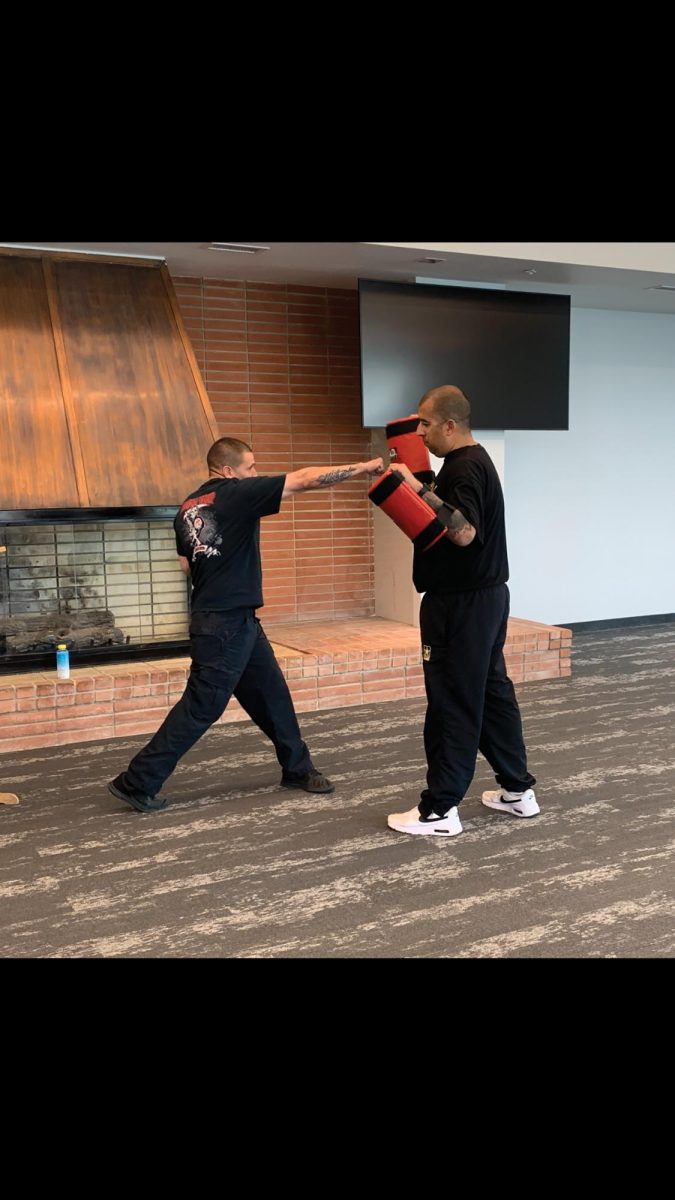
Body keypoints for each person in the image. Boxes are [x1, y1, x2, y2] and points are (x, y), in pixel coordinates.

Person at [108, 437, 384, 814]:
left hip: (233, 619)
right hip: (224, 624)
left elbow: (186, 565)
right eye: (250, 467)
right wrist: (364, 468)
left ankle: (297, 769)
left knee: (272, 694)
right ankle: (138, 781)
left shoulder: (186, 508)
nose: (255, 473)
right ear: (228, 470)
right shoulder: (235, 494)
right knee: (202, 706)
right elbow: (303, 480)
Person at [386, 385, 538, 837]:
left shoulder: (464, 468)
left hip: (461, 605)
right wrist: (426, 486)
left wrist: (417, 490)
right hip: (485, 599)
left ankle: (439, 811)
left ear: (450, 425)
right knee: (490, 694)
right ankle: (517, 791)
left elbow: (464, 532)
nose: (420, 432)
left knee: (452, 699)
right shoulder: (471, 462)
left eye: (426, 424)